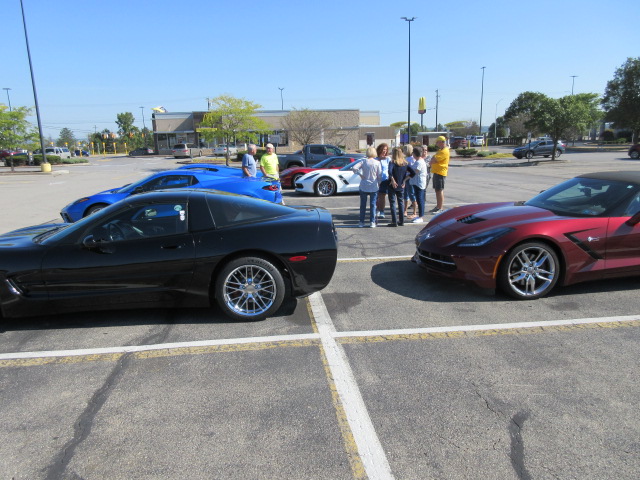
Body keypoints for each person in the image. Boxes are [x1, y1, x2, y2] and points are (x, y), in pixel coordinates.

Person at [352, 146, 382, 228]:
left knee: (363, 204)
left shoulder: (363, 161)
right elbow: (379, 175)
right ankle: (372, 222)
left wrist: (360, 174)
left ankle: (361, 222)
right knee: (373, 204)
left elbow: (354, 168)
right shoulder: (377, 163)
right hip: (374, 185)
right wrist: (379, 182)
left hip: (364, 184)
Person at [387, 147, 414, 227]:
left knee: (392, 203)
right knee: (400, 203)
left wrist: (392, 180)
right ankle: (401, 221)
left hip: (392, 185)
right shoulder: (405, 163)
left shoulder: (392, 162)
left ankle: (394, 221)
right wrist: (405, 180)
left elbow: (389, 172)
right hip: (401, 184)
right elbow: (413, 173)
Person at [429, 136, 450, 214]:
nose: (436, 143)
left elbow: (434, 160)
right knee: (437, 190)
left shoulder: (444, 151)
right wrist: (432, 160)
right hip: (436, 172)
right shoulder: (440, 150)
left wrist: (433, 160)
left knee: (439, 190)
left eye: (437, 142)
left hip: (440, 172)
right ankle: (438, 206)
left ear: (442, 142)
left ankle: (440, 208)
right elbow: (433, 159)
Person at [409, 145, 428, 223]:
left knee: (420, 200)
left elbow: (414, 172)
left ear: (414, 154)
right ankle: (420, 216)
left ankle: (421, 217)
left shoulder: (420, 162)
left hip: (419, 183)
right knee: (418, 199)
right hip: (416, 183)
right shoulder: (417, 161)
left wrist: (405, 177)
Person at [374, 143, 391, 222]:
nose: (385, 151)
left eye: (386, 149)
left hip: (385, 180)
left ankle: (382, 211)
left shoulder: (388, 159)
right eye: (383, 149)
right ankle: (377, 210)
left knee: (382, 196)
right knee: (376, 196)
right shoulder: (375, 159)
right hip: (376, 180)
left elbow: (390, 169)